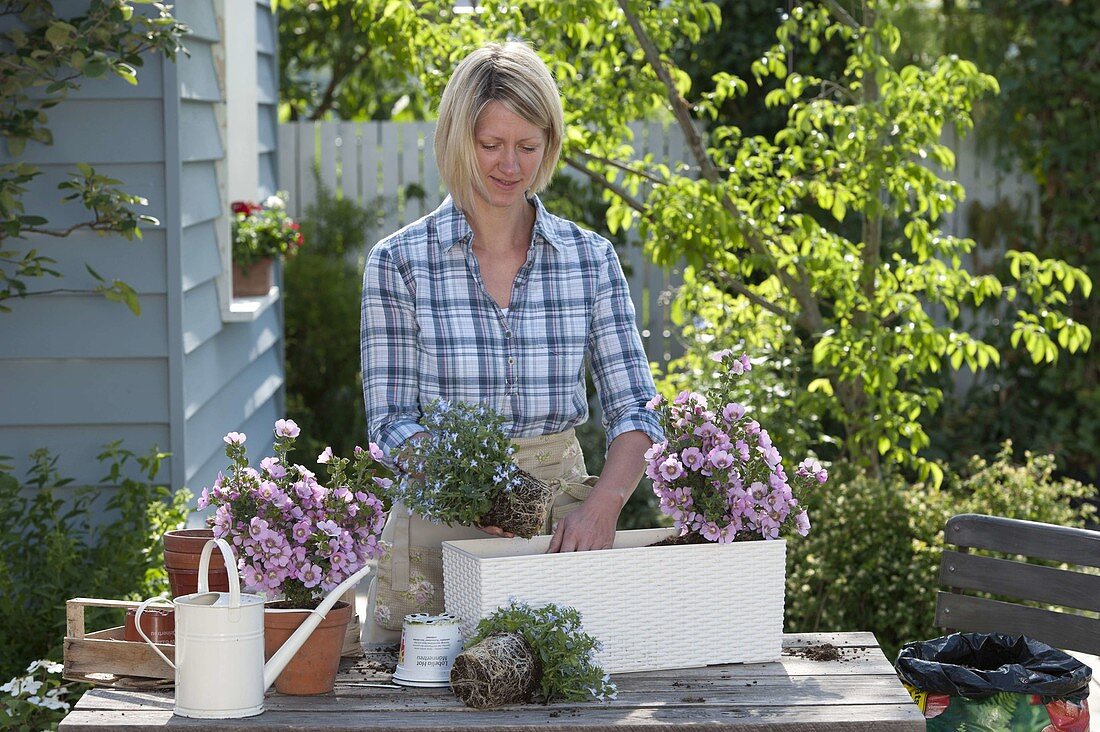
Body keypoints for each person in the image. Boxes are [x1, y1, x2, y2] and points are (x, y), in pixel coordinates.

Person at [359, 41, 662, 642]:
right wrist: (478, 489)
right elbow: (392, 421)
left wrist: (602, 507)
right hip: (438, 530)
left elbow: (636, 409)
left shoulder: (589, 259)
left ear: (549, 146)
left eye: (528, 147)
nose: (510, 166)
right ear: (456, 141)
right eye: (491, 145)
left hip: (561, 534)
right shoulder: (399, 263)